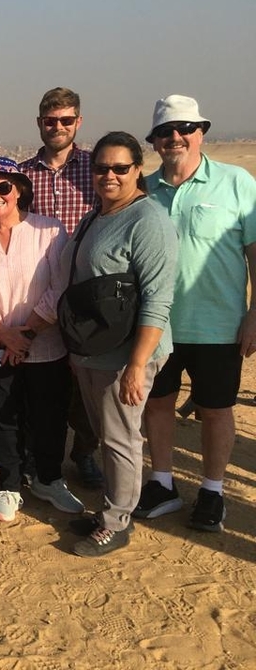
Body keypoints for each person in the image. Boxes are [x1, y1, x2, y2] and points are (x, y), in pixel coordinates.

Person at [138, 95, 256, 532]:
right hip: (157, 326)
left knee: (216, 409)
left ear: (200, 131)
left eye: (185, 128)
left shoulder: (236, 182)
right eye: (166, 131)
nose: (176, 137)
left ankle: (212, 490)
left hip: (220, 323)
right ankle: (163, 483)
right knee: (158, 404)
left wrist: (255, 314)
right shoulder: (144, 190)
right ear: (154, 141)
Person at [63, 132, 178, 556]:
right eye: (101, 168)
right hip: (95, 349)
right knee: (106, 434)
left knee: (121, 438)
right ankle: (110, 508)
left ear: (138, 170)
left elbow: (158, 298)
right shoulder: (97, 216)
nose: (109, 175)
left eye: (119, 168)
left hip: (128, 352)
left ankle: (117, 522)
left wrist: (137, 364)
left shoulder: (148, 221)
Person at [0, 158, 82, 522]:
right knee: (3, 418)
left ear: (19, 189)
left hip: (45, 346)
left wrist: (25, 333)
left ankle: (49, 479)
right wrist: (3, 334)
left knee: (50, 417)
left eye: (2, 188)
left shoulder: (51, 232)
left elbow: (61, 286)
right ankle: (9, 484)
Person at [18, 87, 103, 489]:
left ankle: (84, 452)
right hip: (36, 293)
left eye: (66, 120)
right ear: (39, 123)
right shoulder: (21, 175)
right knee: (44, 385)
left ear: (78, 123)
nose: (58, 127)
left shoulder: (97, 169)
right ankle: (38, 455)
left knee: (88, 384)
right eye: (50, 121)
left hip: (88, 292)